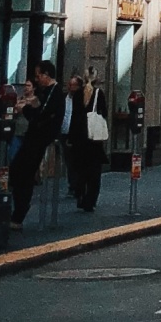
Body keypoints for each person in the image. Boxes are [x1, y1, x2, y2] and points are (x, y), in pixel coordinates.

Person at [7, 59, 64, 227]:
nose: (37, 79)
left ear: (46, 75)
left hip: (40, 137)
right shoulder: (46, 91)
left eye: (38, 75)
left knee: (22, 172)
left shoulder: (54, 92)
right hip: (35, 135)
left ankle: (19, 214)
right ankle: (18, 211)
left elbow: (41, 114)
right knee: (19, 171)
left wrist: (25, 109)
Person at [62, 65, 108, 214]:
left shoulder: (77, 95)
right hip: (93, 139)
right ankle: (90, 201)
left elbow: (74, 117)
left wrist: (71, 137)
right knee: (94, 173)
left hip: (79, 139)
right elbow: (104, 113)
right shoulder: (98, 94)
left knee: (80, 170)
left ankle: (80, 197)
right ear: (96, 78)